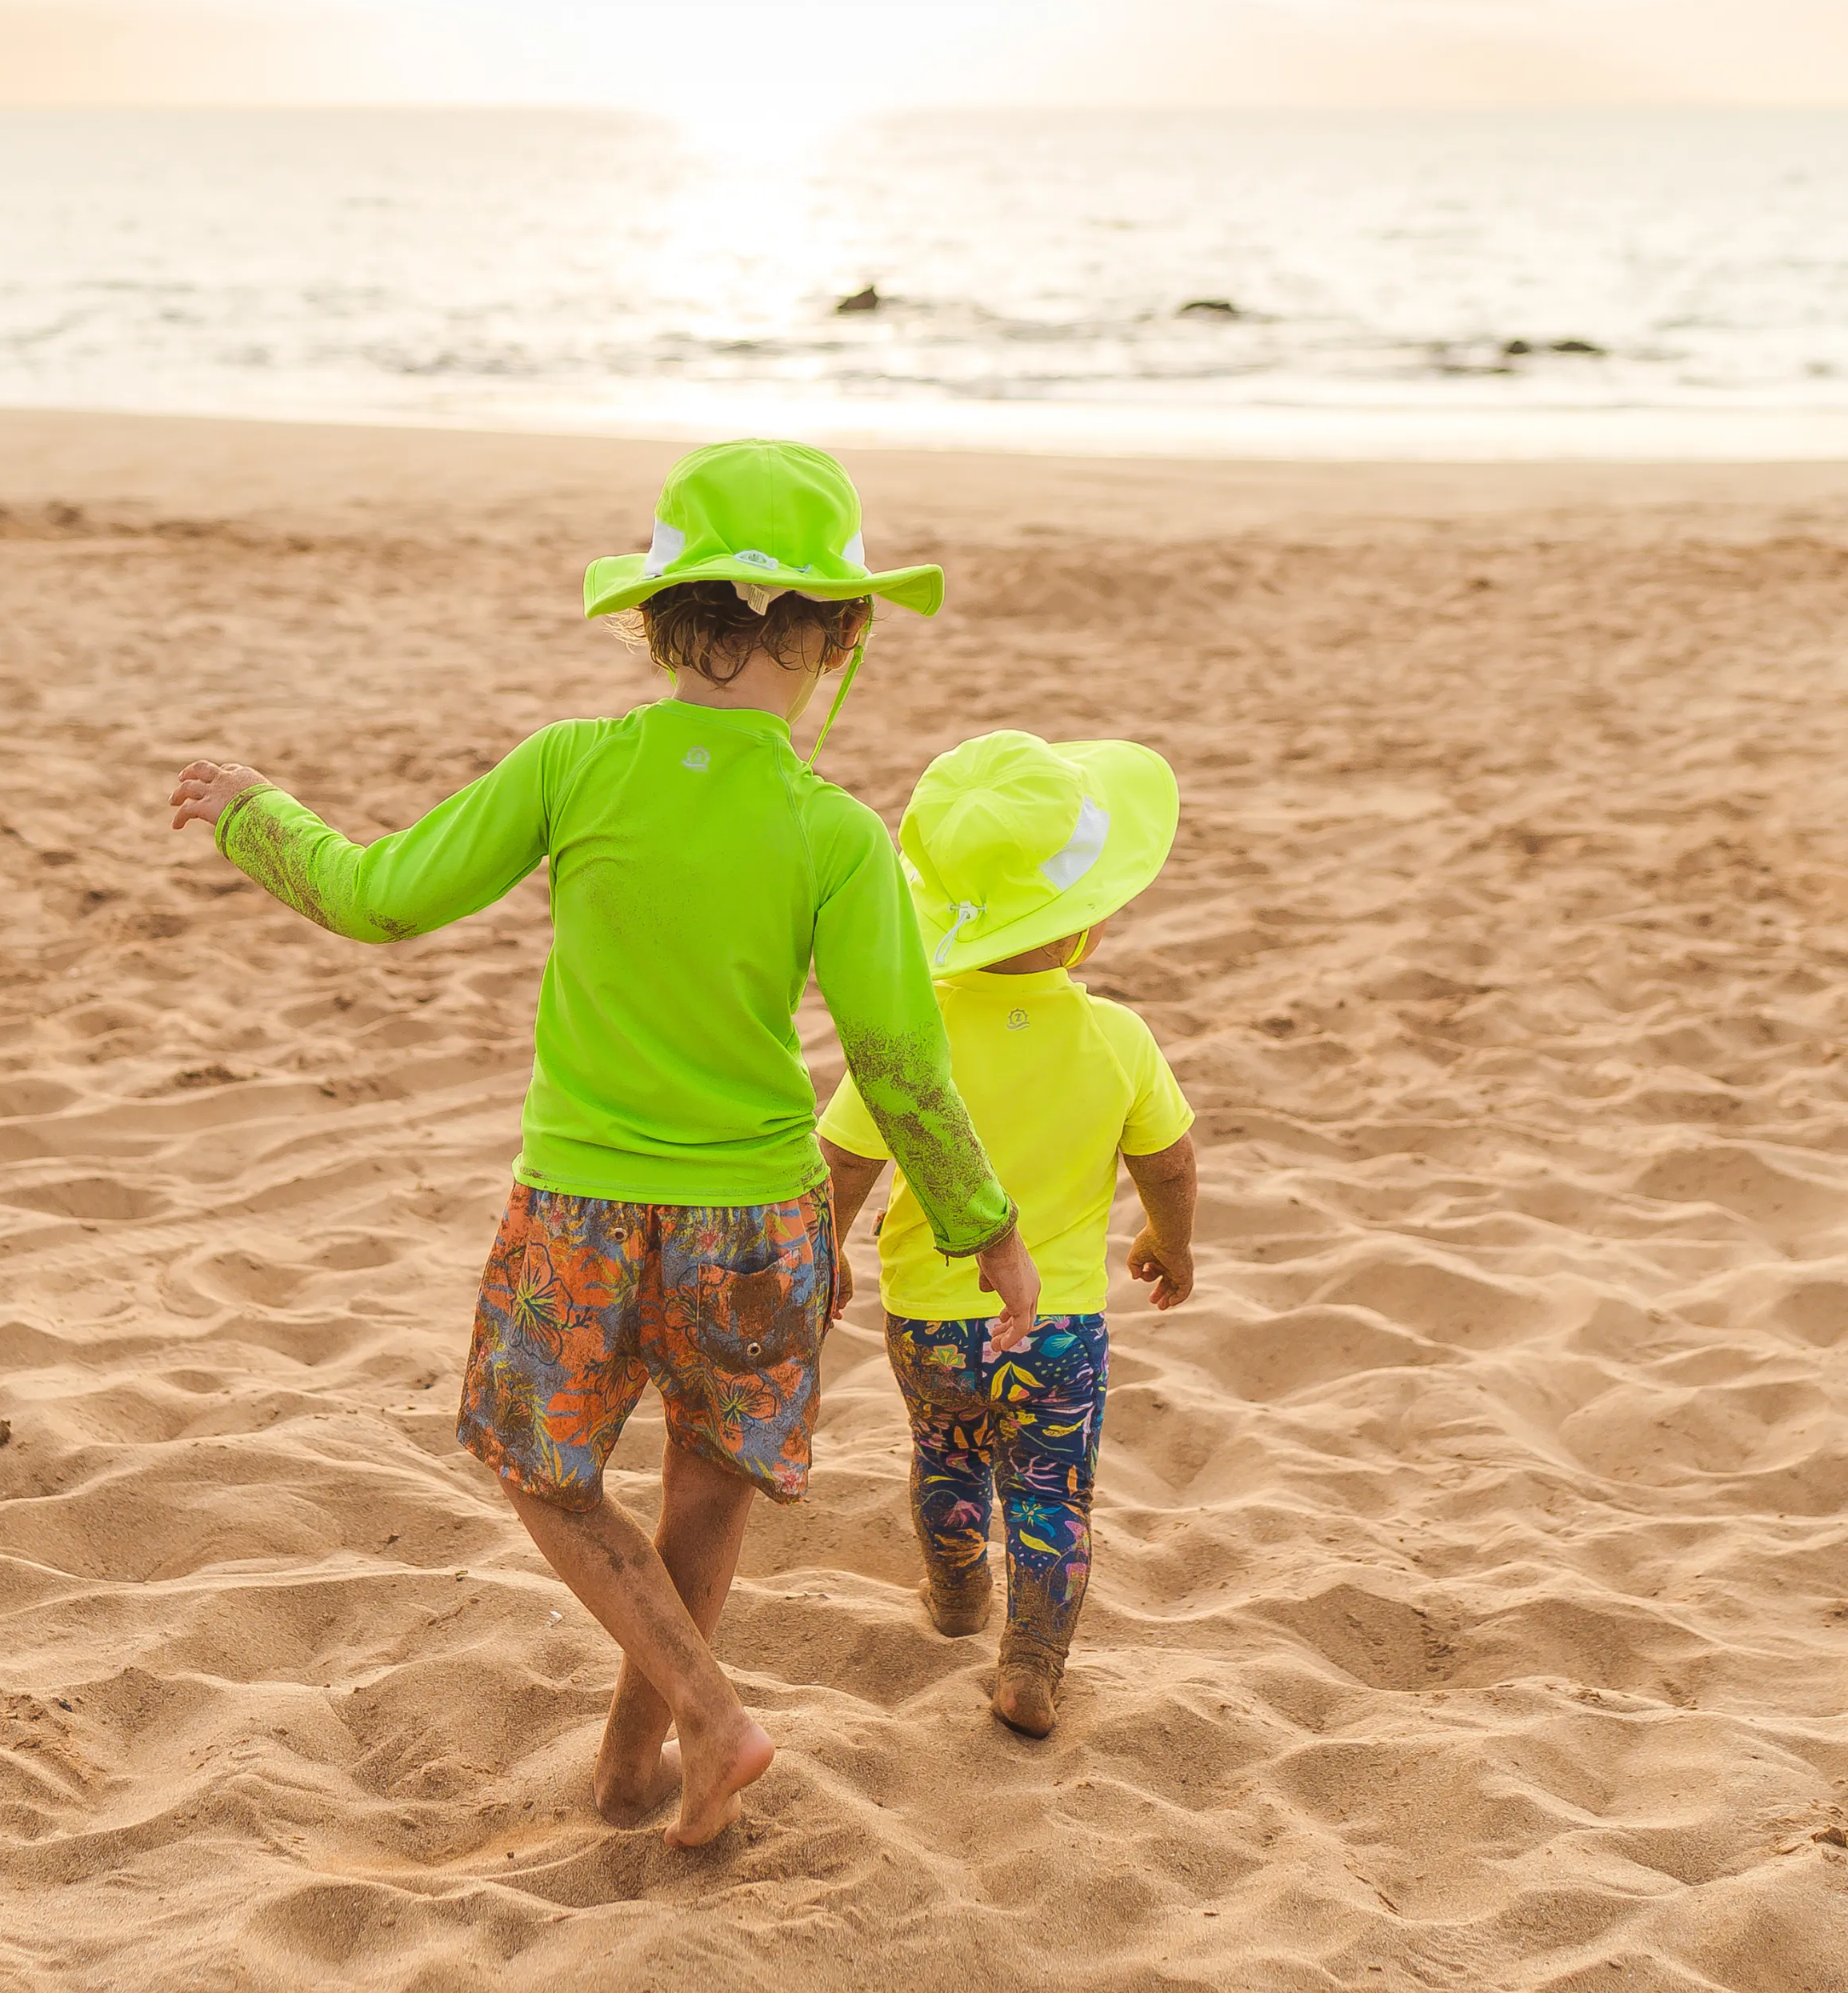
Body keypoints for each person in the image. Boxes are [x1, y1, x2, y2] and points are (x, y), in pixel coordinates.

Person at [167, 439, 1038, 1846]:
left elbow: (379, 900)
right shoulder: (835, 831)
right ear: (840, 635)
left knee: (538, 1468)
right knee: (706, 1482)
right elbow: (898, 1067)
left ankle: (700, 1718)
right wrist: (984, 1224)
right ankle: (640, 1766)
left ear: (653, 619)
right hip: (762, 1216)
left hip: (583, 1206)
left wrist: (255, 818)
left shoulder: (574, 770)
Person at [817, 730, 1198, 1739]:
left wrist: (830, 1249)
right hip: (1060, 1327)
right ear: (1078, 927)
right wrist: (1171, 1242)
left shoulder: (913, 1029)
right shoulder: (1118, 1038)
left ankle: (953, 1595)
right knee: (1050, 1491)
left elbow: (846, 1158)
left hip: (931, 1318)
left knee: (944, 1455)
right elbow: (1168, 1158)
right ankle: (1030, 1661)